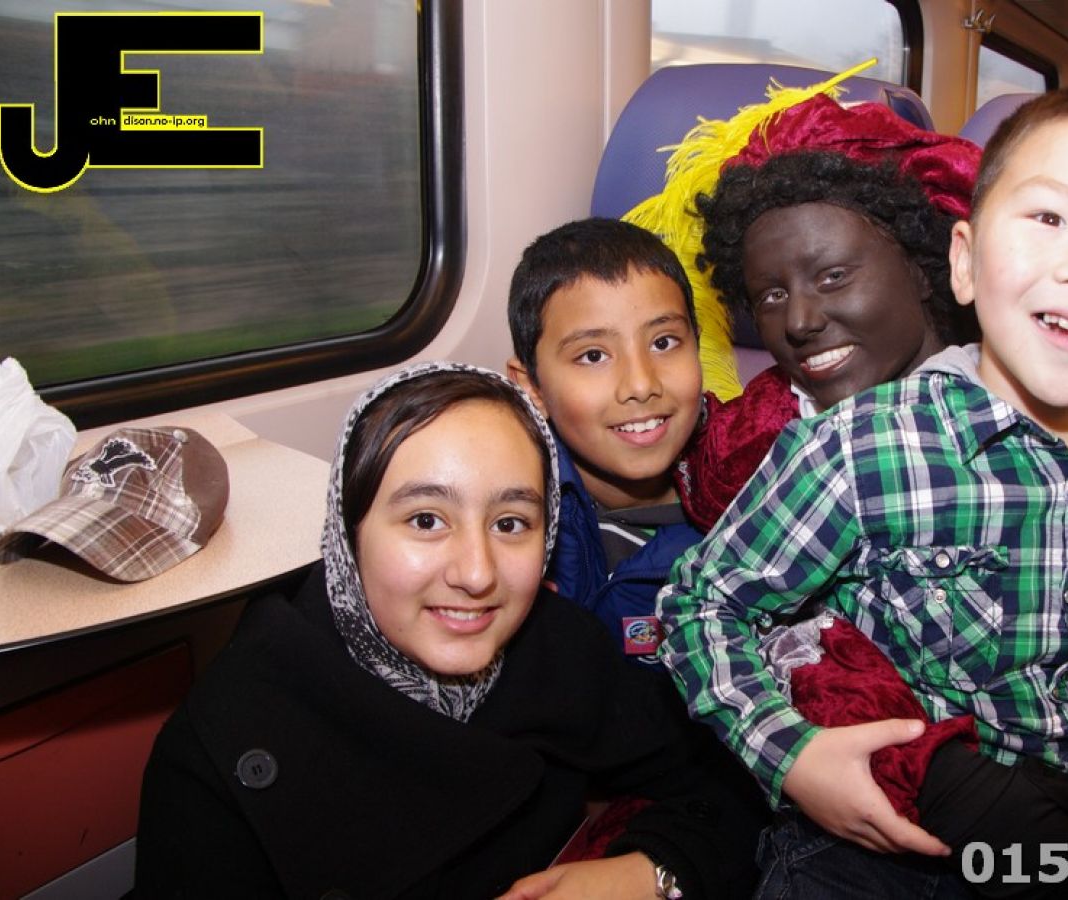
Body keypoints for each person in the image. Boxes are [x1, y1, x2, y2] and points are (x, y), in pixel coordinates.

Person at [659, 86, 1068, 897]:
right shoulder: (863, 448)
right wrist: (791, 753)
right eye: (1049, 217)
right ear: (965, 263)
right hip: (879, 837)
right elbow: (703, 604)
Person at [136, 362, 758, 899]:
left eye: (510, 523)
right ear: (349, 531)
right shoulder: (221, 741)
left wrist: (653, 872)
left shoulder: (556, 649)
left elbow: (729, 779)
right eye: (427, 520)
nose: (477, 573)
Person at [624, 89, 981, 531]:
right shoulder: (752, 439)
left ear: (923, 269)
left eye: (833, 277)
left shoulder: (1006, 419)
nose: (799, 322)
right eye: (772, 296)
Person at [505, 218, 707, 669]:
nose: (640, 384)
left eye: (664, 342)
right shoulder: (510, 504)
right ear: (532, 387)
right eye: (593, 355)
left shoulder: (753, 504)